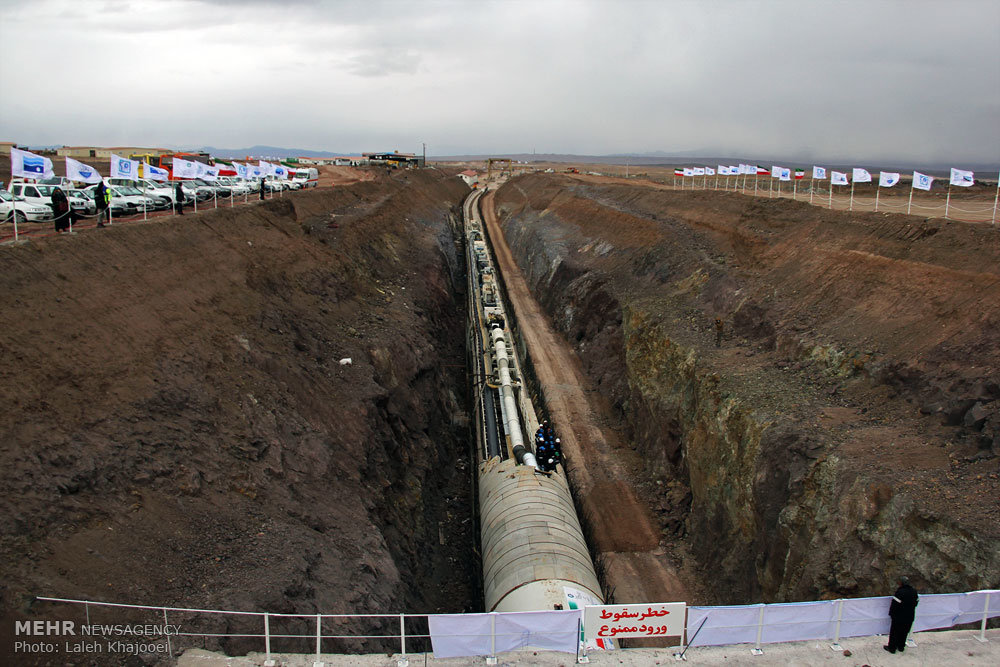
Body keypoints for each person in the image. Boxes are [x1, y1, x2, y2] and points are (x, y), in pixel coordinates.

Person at [885, 576, 918, 654]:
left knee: (895, 632)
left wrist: (892, 614)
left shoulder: (900, 592)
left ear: (901, 583)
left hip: (899, 616)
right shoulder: (914, 591)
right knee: (904, 632)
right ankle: (901, 647)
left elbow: (895, 605)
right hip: (910, 616)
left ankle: (892, 648)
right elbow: (916, 602)